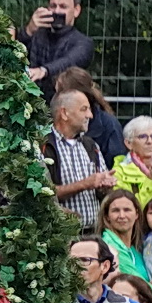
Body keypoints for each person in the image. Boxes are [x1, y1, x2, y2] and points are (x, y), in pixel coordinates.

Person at [42, 90, 113, 225]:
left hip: (93, 234)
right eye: (84, 109)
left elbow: (102, 193)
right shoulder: (44, 146)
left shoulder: (91, 145)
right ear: (64, 113)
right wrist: (84, 184)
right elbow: (42, 193)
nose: (90, 115)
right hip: (60, 238)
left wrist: (105, 186)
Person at [17, 0, 94, 97]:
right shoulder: (36, 35)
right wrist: (28, 31)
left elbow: (69, 61)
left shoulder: (83, 43)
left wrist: (43, 71)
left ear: (76, 10)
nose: (57, 11)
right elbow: (12, 56)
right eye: (53, 6)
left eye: (63, 7)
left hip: (66, 105)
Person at [97, 189, 152, 303]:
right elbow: (141, 287)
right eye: (116, 210)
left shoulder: (138, 247)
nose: (122, 216)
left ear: (137, 214)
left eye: (127, 210)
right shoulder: (109, 246)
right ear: (107, 216)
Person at [57, 67, 125, 165]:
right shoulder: (53, 125)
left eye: (59, 94)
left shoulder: (109, 125)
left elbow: (117, 167)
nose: (56, 99)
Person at [112, 115, 152, 205]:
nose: (149, 141)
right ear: (128, 143)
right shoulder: (119, 173)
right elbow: (129, 209)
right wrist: (151, 182)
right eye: (143, 136)